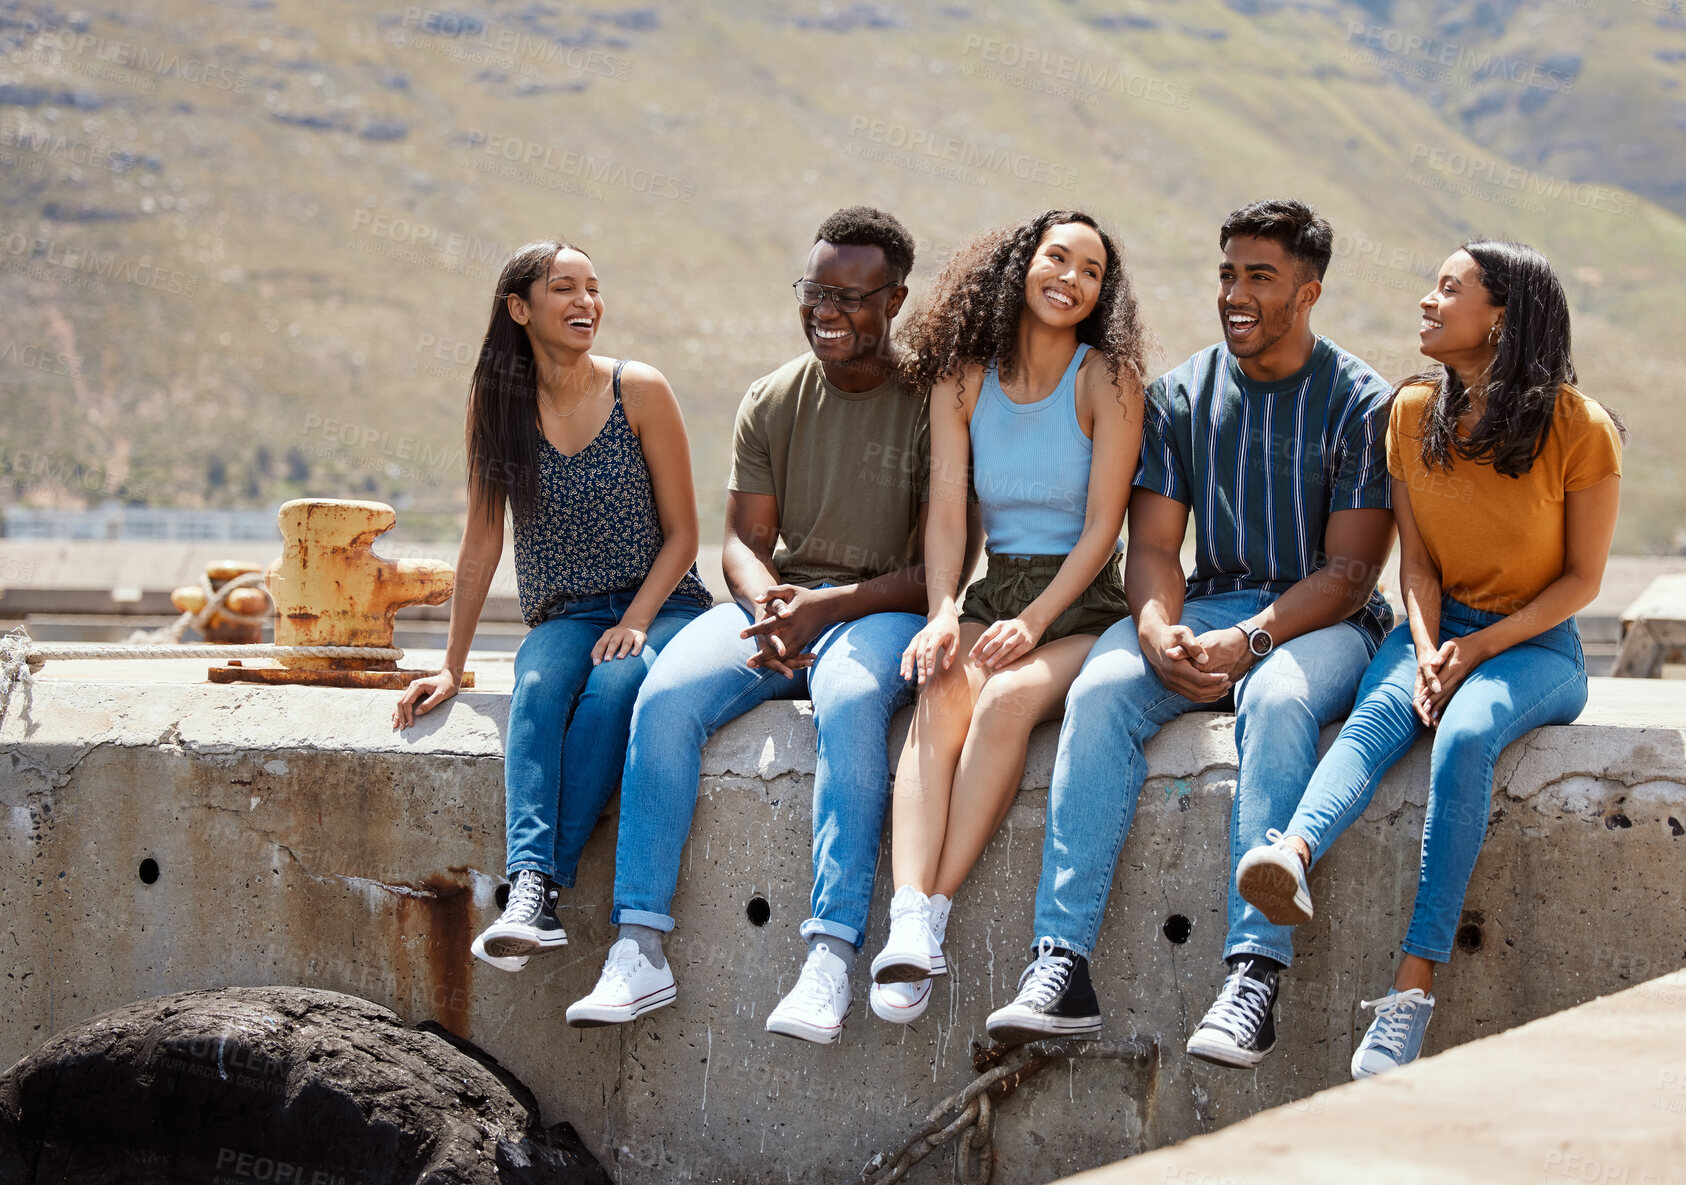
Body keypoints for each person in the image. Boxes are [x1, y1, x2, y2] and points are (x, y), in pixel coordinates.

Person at [984, 199, 1397, 1069]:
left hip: (1324, 619)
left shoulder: (1362, 400)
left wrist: (1251, 639)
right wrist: (1157, 623)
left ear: (1308, 292)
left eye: (1260, 277)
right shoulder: (1179, 394)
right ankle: (1061, 965)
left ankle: (1254, 972)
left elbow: (1352, 571)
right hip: (1207, 604)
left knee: (1279, 701)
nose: (1235, 294)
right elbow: (1158, 548)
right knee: (1099, 689)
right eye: (1227, 274)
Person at [565, 207, 981, 1042]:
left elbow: (950, 564)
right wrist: (769, 602)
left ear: (895, 300)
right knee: (667, 693)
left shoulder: (932, 403)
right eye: (815, 291)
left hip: (881, 611)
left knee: (853, 702)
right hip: (783, 606)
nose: (827, 311)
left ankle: (830, 956)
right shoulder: (771, 397)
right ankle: (639, 946)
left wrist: (832, 606)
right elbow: (740, 543)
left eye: (851, 298)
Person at [1234, 240, 1622, 1078]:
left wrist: (1473, 650)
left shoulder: (1578, 429)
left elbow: (1581, 582)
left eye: (1450, 290)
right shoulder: (1411, 411)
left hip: (1534, 642)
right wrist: (1423, 642)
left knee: (1466, 735)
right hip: (1438, 625)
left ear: (1502, 316)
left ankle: (1410, 992)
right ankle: (1291, 854)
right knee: (1380, 713)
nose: (1428, 301)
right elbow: (1415, 562)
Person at [392, 239, 712, 973]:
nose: (586, 303)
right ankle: (531, 885)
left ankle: (535, 891)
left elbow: (687, 535)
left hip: (660, 606)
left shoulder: (641, 389)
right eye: (564, 288)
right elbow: (481, 542)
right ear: (519, 307)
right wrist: (451, 667)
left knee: (615, 689)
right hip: (563, 614)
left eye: (594, 289)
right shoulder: (499, 406)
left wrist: (635, 620)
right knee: (535, 687)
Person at [865, 211, 1149, 1025]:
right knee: (941, 682)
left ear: (1102, 293)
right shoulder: (963, 377)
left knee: (1006, 699)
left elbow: (1104, 530)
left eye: (1092, 271)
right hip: (993, 592)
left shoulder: (1110, 378)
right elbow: (950, 514)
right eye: (1058, 257)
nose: (1071, 278)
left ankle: (937, 907)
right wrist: (943, 608)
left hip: (1082, 600)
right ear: (1021, 263)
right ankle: (908, 923)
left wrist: (1035, 619)